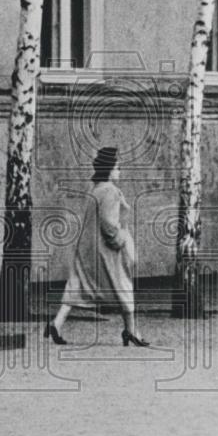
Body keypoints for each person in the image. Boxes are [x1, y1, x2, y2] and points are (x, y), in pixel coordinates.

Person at [45, 147, 150, 347]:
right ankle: (131, 331)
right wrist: (121, 240)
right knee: (123, 286)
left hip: (87, 248)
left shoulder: (95, 189)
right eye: (117, 167)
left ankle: (57, 323)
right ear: (110, 169)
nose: (120, 171)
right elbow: (109, 225)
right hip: (106, 252)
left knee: (78, 285)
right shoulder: (110, 191)